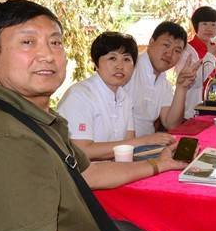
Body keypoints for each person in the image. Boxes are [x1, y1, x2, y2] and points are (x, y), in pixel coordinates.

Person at [0, 0, 187, 231]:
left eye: (55, 42)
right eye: (28, 42)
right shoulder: (3, 140)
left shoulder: (31, 118)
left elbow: (88, 173)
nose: (47, 55)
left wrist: (158, 165)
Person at [58, 32, 176, 160]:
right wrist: (145, 140)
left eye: (126, 59)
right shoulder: (79, 96)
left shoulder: (124, 97)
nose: (120, 66)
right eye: (112, 58)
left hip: (114, 168)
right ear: (96, 63)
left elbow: (128, 145)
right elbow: (82, 151)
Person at [125, 21, 200, 136]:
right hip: (124, 145)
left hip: (150, 143)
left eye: (177, 51)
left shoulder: (163, 82)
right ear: (151, 42)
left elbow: (171, 123)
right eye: (166, 45)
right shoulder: (129, 69)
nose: (169, 54)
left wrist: (181, 88)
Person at [175, 6, 216, 118]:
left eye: (213, 24)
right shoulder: (186, 50)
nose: (209, 28)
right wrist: (211, 55)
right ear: (196, 26)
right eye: (204, 24)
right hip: (193, 112)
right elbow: (194, 81)